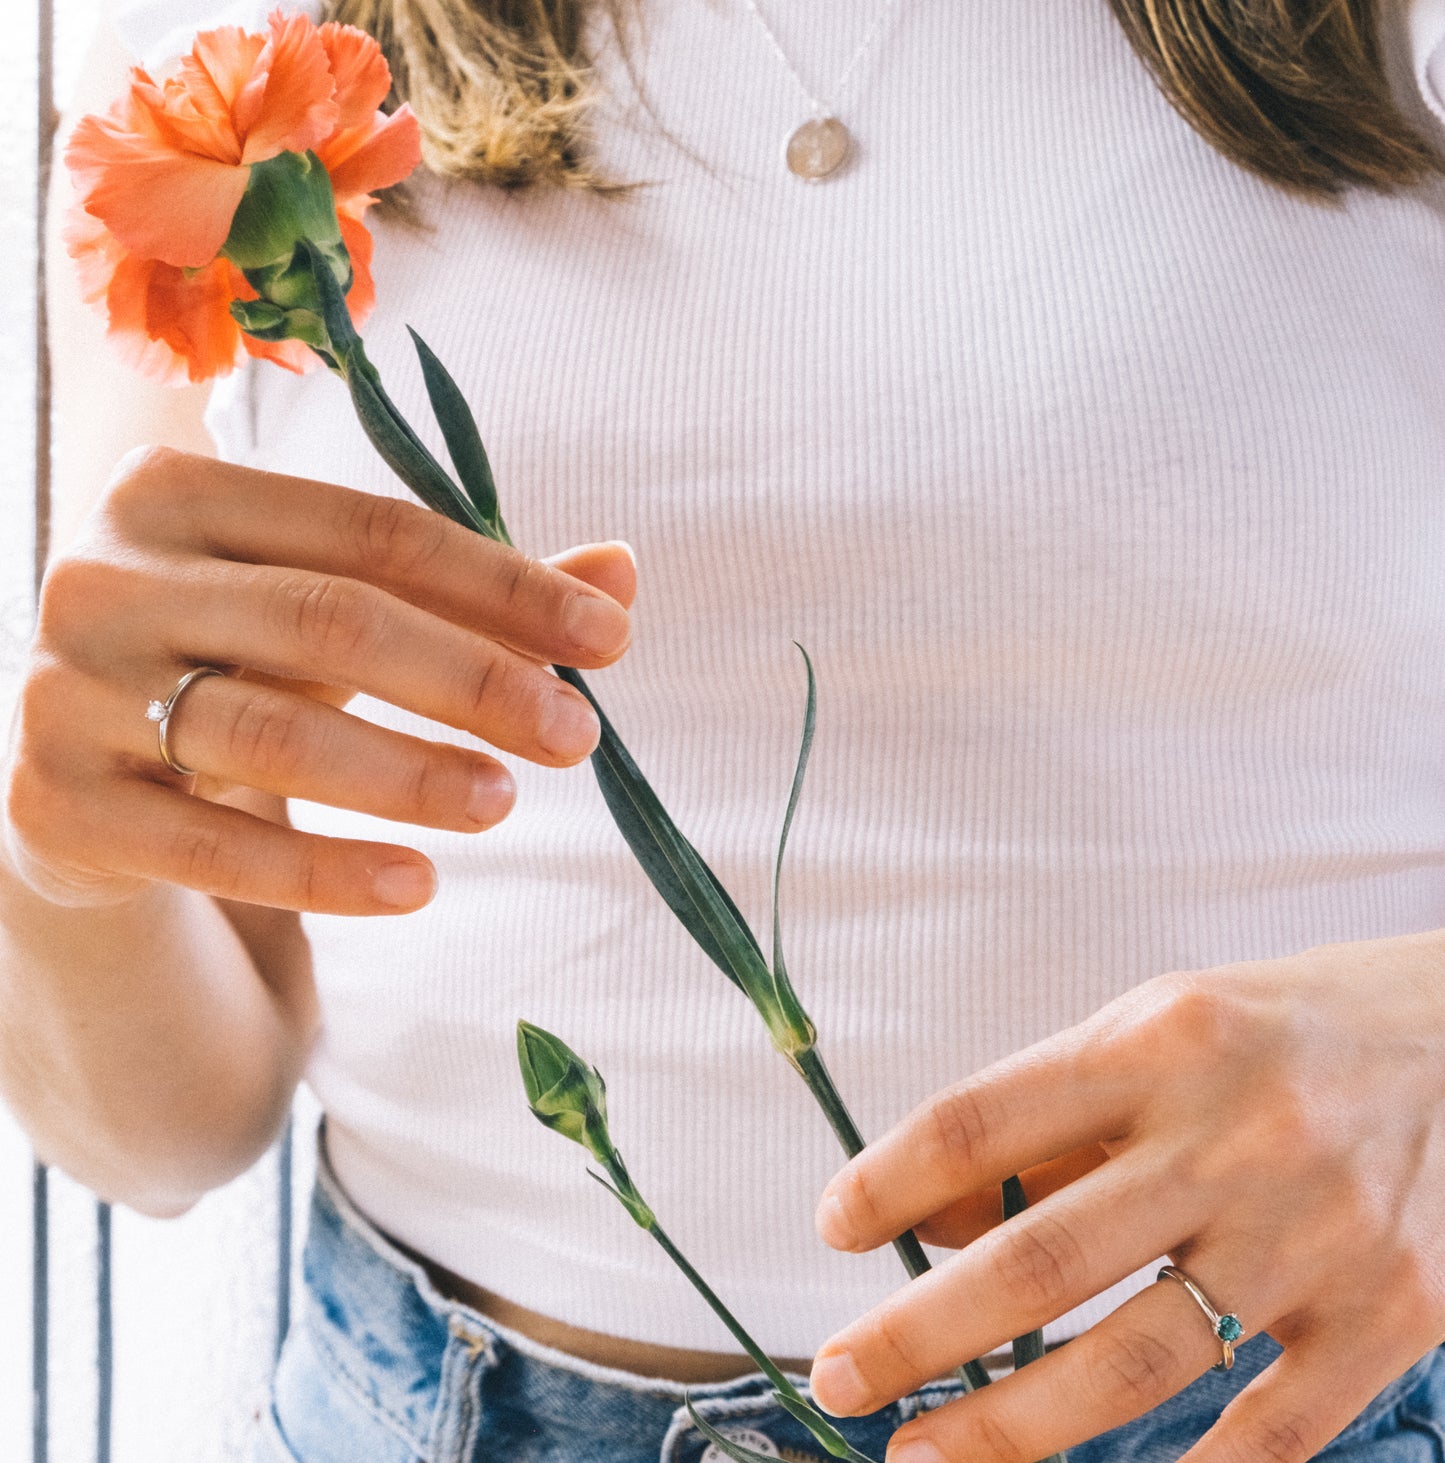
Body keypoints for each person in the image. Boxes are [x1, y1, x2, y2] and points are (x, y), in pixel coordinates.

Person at [5, 0, 1445, 1459]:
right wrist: (62, 862)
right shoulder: (211, 48)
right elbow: (163, 1127)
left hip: (1280, 1404)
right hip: (437, 1408)